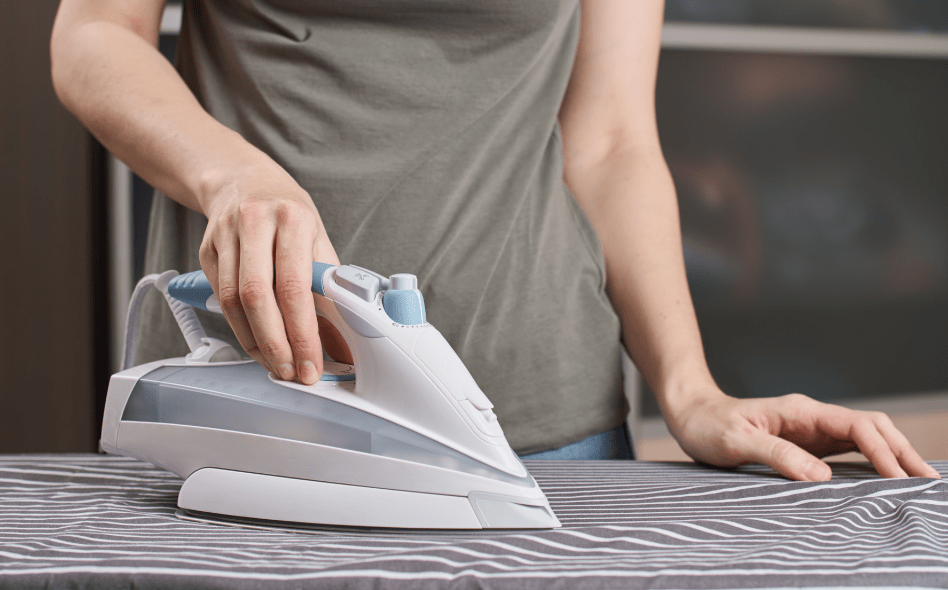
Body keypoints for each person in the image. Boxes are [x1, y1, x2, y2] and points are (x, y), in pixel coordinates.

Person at [51, 0, 939, 480]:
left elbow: (610, 142)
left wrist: (690, 391)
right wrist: (234, 176)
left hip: (543, 422)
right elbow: (93, 30)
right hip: (262, 399)